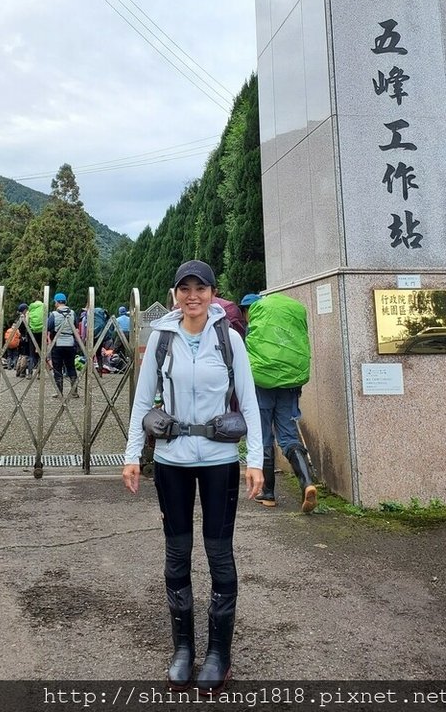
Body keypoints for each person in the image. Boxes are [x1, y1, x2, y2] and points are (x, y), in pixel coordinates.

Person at [123, 260, 263, 692]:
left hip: (220, 458)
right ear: (175, 294)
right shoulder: (163, 338)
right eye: (185, 289)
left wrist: (254, 458)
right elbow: (143, 401)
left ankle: (219, 653)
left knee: (219, 553)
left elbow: (250, 401)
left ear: (212, 293)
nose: (192, 296)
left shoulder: (230, 339)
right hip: (172, 461)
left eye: (200, 289)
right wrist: (132, 455)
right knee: (177, 552)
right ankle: (183, 647)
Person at [240, 292, 317, 514]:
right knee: (288, 437)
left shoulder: (255, 329)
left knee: (264, 436)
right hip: (289, 386)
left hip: (263, 388)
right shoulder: (283, 325)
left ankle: (268, 493)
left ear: (248, 311)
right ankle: (307, 484)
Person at [47, 292, 79, 397]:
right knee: (71, 367)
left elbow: (49, 327)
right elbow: (76, 326)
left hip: (58, 343)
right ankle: (74, 391)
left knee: (57, 367)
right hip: (70, 342)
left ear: (56, 302)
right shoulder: (73, 313)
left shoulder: (54, 314)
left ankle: (59, 392)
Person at [26, 296, 45, 371]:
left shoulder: (30, 308)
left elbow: (27, 321)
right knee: (41, 352)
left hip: (32, 332)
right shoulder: (44, 306)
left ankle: (30, 372)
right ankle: (40, 373)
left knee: (31, 353)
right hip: (42, 331)